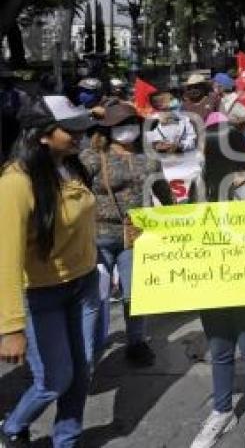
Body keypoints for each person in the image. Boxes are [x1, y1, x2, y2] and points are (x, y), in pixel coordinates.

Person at [0, 96, 99, 447]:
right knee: (55, 380)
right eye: (70, 128)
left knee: (82, 372)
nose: (80, 134)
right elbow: (6, 258)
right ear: (41, 135)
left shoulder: (73, 165)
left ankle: (66, 440)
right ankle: (12, 428)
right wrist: (11, 328)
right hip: (42, 295)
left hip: (85, 285)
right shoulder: (15, 182)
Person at [188, 124, 245, 448]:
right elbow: (187, 227)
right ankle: (222, 411)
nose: (199, 152)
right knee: (220, 347)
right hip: (210, 277)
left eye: (204, 147)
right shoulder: (199, 184)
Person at [80, 104, 174, 367]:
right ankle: (89, 347)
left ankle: (136, 341)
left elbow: (164, 192)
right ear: (108, 129)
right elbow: (73, 193)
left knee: (135, 293)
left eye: (132, 123)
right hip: (98, 235)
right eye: (122, 124)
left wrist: (181, 219)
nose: (128, 129)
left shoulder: (149, 158)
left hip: (137, 236)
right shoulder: (91, 158)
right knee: (95, 295)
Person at [0, 68, 26, 161]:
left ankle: (15, 157)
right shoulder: (1, 93)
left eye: (8, 80)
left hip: (15, 120)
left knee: (16, 139)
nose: (5, 83)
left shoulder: (20, 94)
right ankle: (6, 157)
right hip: (3, 120)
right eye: (4, 80)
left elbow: (24, 107)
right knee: (5, 141)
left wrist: (17, 115)